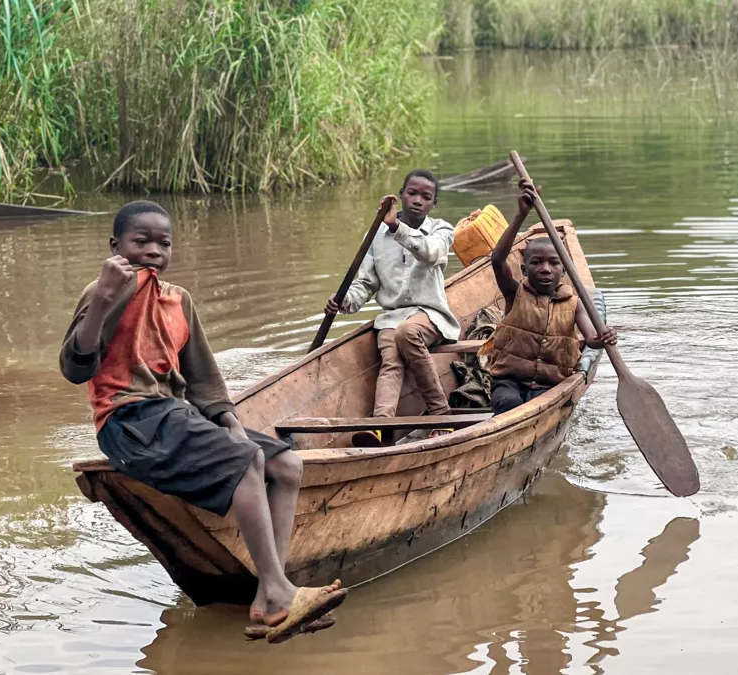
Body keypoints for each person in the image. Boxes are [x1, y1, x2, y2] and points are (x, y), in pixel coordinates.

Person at [59, 200, 345, 643]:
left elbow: (204, 378)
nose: (154, 250)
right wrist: (101, 296)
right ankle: (277, 593)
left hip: (175, 415)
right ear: (116, 246)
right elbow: (75, 367)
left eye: (163, 243)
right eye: (142, 241)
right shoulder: (108, 290)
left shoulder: (179, 300)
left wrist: (228, 419)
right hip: (128, 420)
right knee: (246, 458)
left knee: (287, 465)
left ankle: (269, 589)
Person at [324, 170, 459, 446]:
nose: (418, 200)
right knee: (390, 356)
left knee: (407, 333)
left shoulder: (442, 230)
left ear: (434, 204)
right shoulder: (375, 234)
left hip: (431, 315)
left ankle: (441, 414)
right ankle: (381, 424)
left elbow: (431, 253)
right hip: (392, 317)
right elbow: (366, 282)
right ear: (401, 194)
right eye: (412, 193)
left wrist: (397, 229)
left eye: (426, 196)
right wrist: (344, 301)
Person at [487, 181, 618, 415]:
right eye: (536, 263)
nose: (545, 269)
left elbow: (591, 339)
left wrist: (603, 337)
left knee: (539, 407)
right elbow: (497, 260)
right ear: (525, 269)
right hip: (509, 381)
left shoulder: (574, 304)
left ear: (564, 270)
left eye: (554, 263)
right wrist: (520, 215)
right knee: (508, 403)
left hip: (550, 385)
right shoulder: (514, 293)